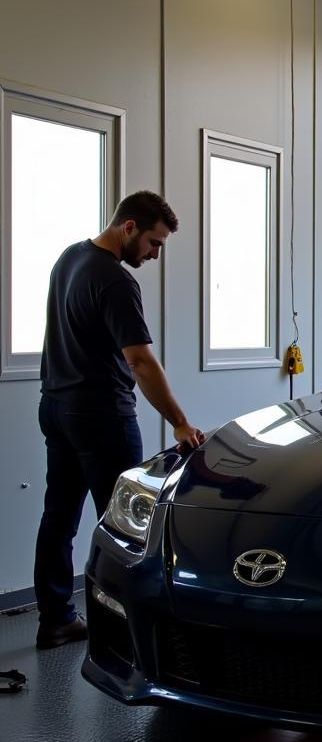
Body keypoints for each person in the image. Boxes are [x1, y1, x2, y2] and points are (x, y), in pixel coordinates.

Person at [34, 191, 204, 649]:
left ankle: (55, 619)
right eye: (154, 242)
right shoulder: (114, 279)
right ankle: (132, 633)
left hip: (56, 405)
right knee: (130, 526)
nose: (155, 254)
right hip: (101, 414)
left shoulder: (69, 259)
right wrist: (180, 423)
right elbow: (141, 362)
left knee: (59, 517)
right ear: (128, 227)